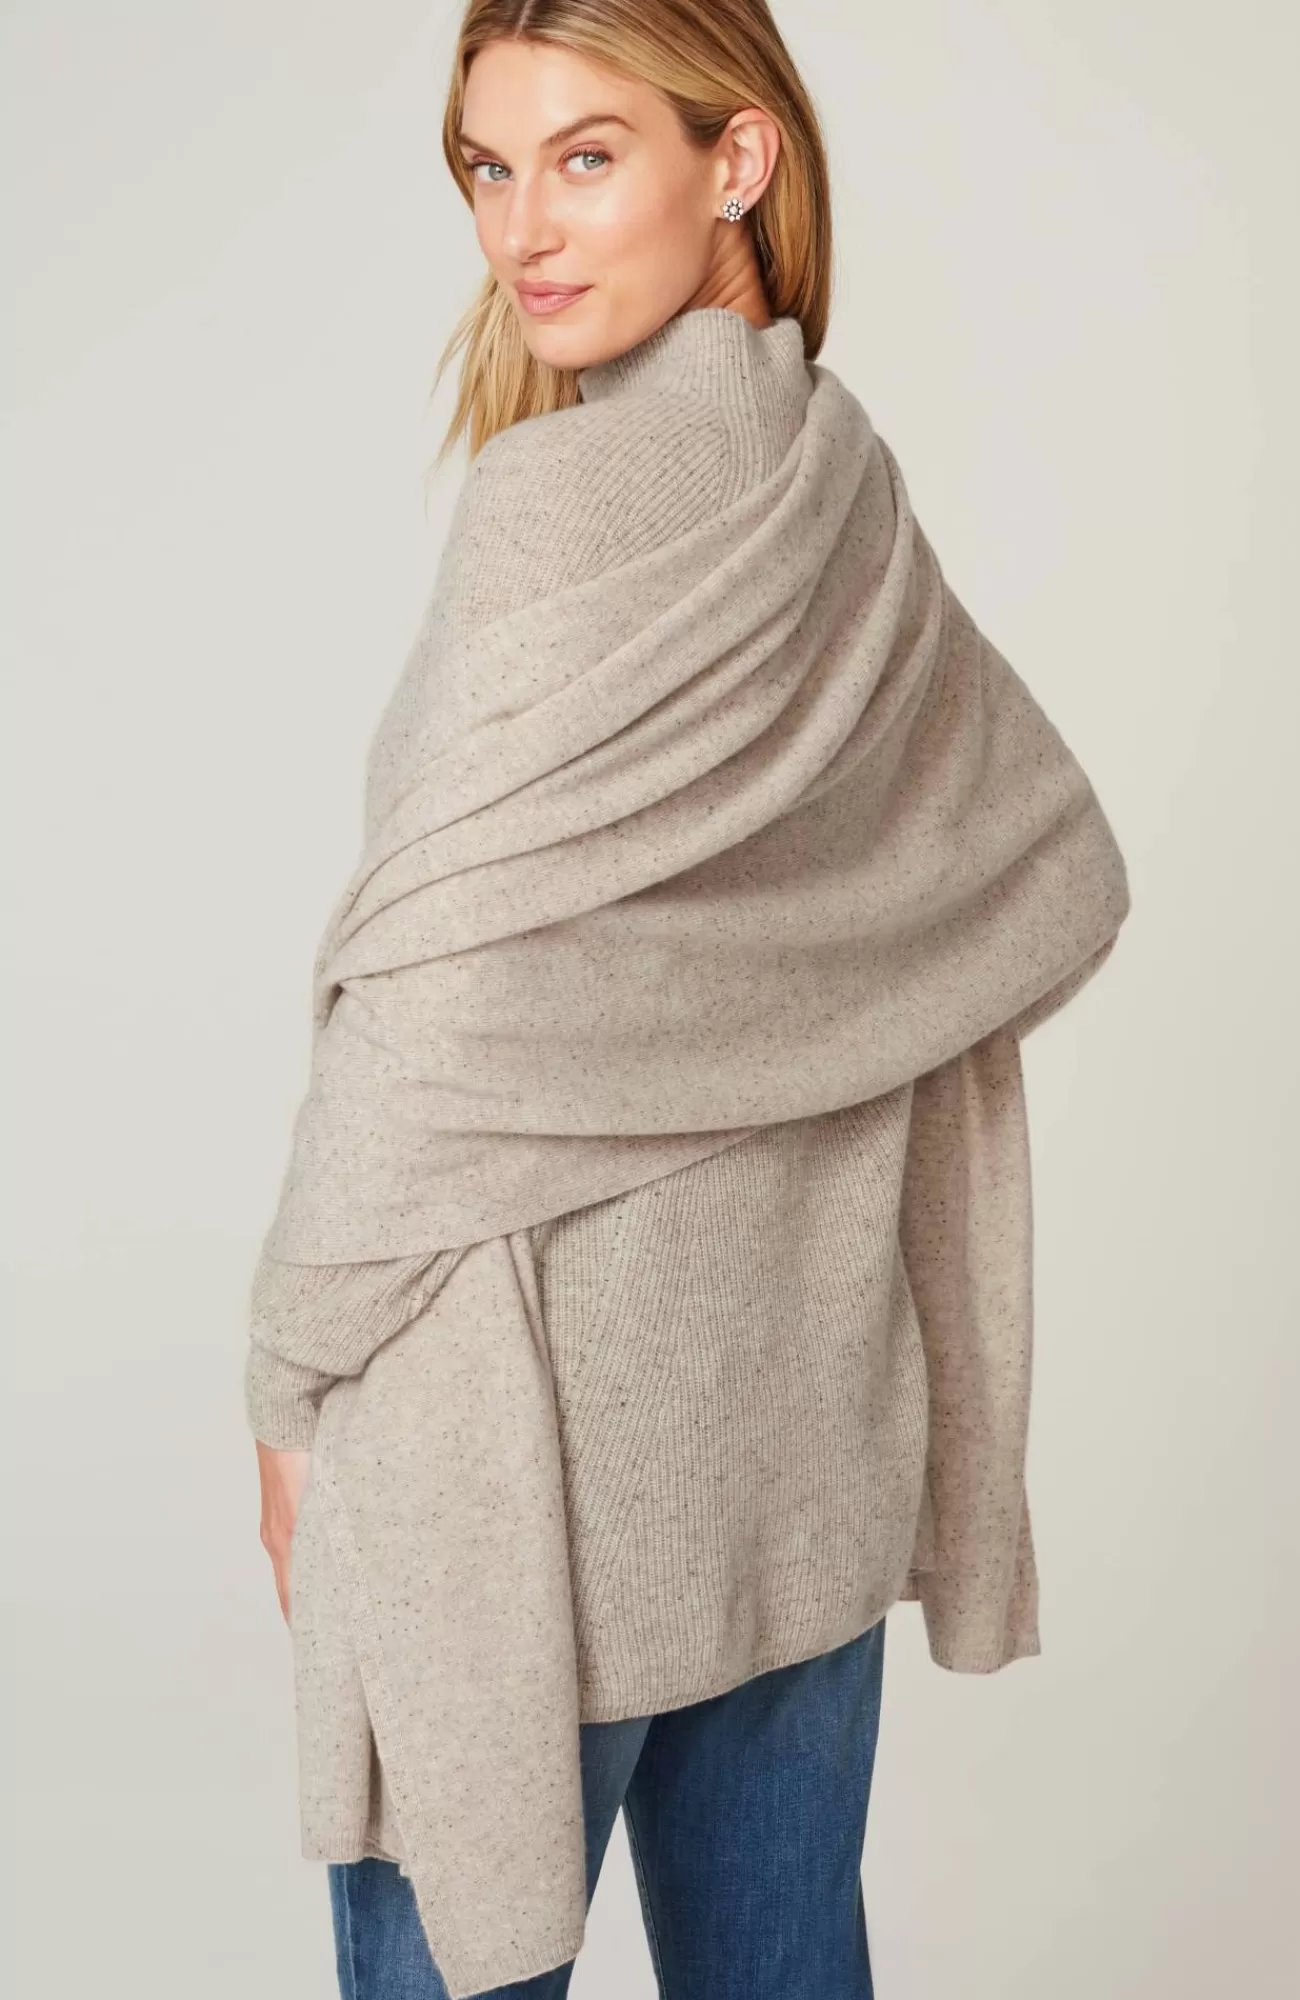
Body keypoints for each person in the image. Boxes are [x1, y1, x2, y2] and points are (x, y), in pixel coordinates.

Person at [246, 5, 1131, 1998]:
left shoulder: (551, 509)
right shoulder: (840, 491)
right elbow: (1019, 872)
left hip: (533, 1467)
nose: (522, 229)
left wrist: (287, 1378)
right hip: (804, 1441)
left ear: (734, 163)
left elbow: (430, 1019)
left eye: (586, 157)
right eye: (490, 168)